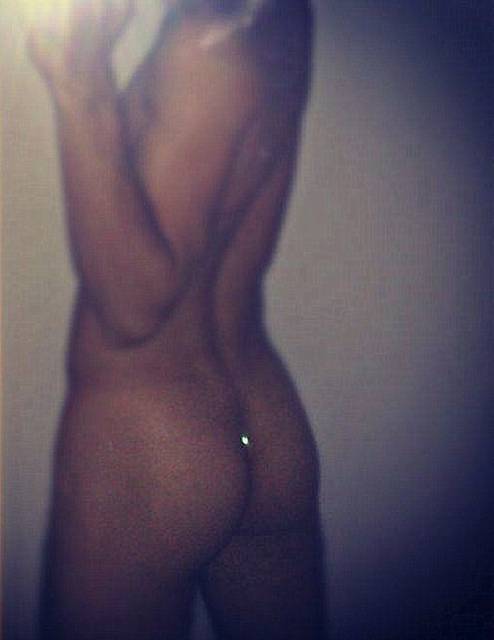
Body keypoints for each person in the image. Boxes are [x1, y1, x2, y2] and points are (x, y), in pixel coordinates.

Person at [29, 0, 325, 637]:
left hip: (150, 437)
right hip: (256, 411)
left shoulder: (206, 41)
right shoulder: (275, 18)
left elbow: (134, 307)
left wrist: (79, 89)